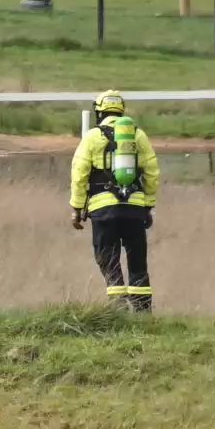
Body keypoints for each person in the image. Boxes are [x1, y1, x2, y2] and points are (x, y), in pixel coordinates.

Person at [69, 90, 161, 311]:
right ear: (121, 112)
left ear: (99, 113)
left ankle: (117, 306)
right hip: (135, 209)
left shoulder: (92, 137)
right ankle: (143, 311)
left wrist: (77, 207)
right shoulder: (138, 135)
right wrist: (148, 205)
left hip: (103, 209)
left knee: (107, 256)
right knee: (137, 260)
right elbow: (152, 172)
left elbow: (79, 173)